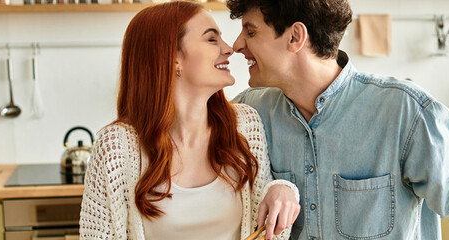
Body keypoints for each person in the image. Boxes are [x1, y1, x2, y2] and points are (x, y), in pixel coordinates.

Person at [227, 0, 449, 239]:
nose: (237, 44)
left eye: (250, 33)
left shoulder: (405, 111)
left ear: (295, 37)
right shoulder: (250, 114)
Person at [79, 2, 301, 239]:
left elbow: (265, 214)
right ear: (173, 58)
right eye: (211, 39)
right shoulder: (116, 147)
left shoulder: (245, 125)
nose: (229, 49)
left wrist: (283, 189)